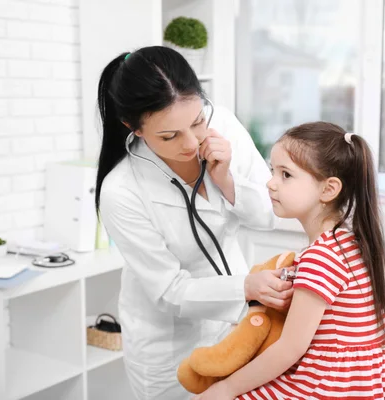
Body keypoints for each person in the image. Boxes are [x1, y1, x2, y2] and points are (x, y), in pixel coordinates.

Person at [95, 46, 294, 400]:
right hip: (167, 343)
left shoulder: (224, 126)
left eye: (197, 121)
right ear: (133, 127)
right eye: (169, 136)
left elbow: (269, 214)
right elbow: (169, 290)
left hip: (238, 324)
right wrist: (246, 288)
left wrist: (227, 180)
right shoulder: (122, 190)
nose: (191, 142)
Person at [195, 122, 385, 400]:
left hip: (331, 387)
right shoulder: (348, 242)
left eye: (286, 175)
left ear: (328, 190)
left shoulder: (322, 256)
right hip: (355, 385)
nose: (271, 183)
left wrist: (226, 388)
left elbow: (290, 349)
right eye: (272, 171)